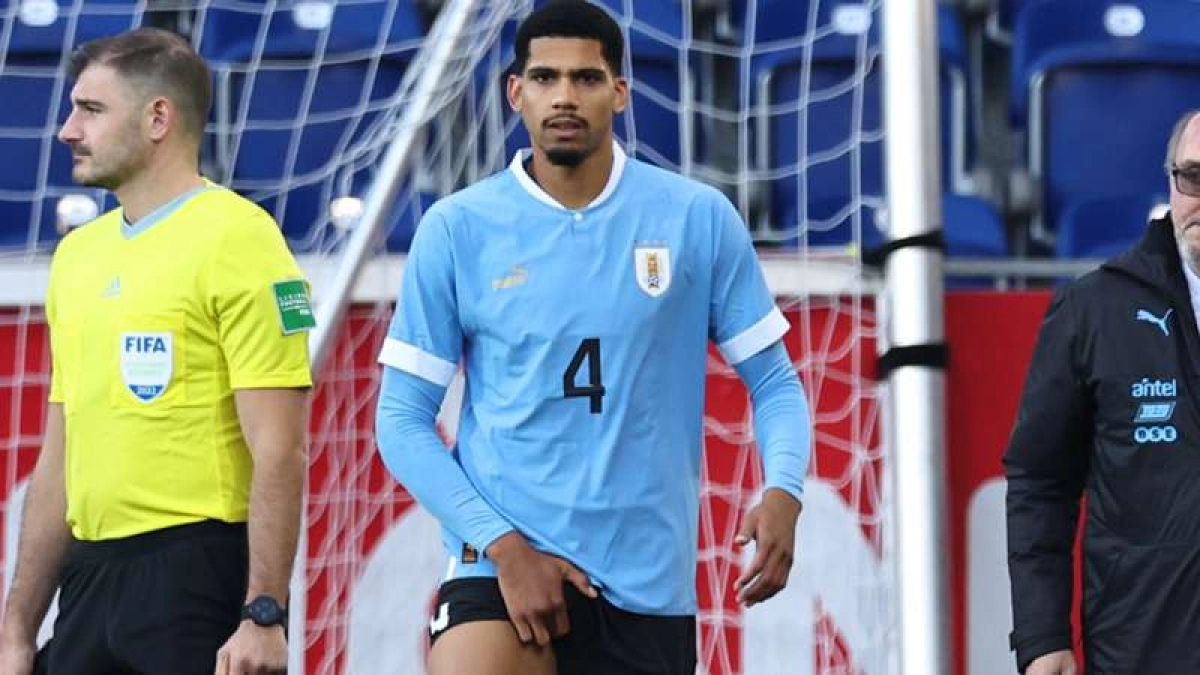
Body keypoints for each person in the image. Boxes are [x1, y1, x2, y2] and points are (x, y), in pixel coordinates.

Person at [374, 2, 813, 674]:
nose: (564, 97)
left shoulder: (695, 218)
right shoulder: (459, 228)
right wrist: (504, 546)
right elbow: (400, 419)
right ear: (515, 92)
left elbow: (776, 382)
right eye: (545, 79)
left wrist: (783, 489)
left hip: (647, 587)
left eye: (585, 78)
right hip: (502, 568)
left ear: (620, 91)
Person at [0, 28, 313, 675]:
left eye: (90, 110)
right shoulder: (77, 255)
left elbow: (280, 448)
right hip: (86, 580)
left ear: (158, 119)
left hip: (192, 572)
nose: (65, 131)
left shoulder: (241, 239)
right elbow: (59, 456)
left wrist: (264, 612)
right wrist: (16, 630)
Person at [1005, 109, 1200, 675]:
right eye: (1193, 177)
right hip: (1144, 649)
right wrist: (1042, 636)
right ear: (1170, 182)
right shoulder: (1093, 309)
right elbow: (1041, 481)